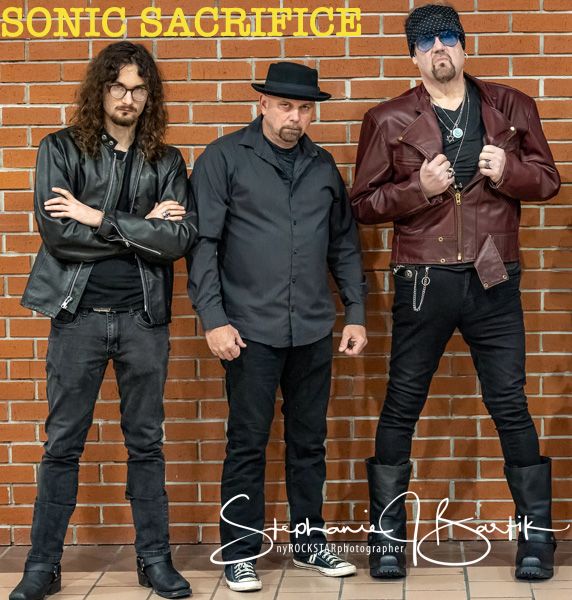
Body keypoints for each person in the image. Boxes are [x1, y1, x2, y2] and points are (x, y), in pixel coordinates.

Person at [350, 3, 560, 582]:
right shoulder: (388, 118)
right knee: (402, 402)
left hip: (494, 275)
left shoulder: (511, 106)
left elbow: (548, 180)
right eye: (426, 42)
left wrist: (509, 170)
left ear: (464, 46)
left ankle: (535, 541)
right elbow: (362, 204)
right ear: (413, 56)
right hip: (423, 278)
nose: (438, 48)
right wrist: (417, 188)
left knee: (510, 403)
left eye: (447, 37)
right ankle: (387, 539)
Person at [12, 41, 197, 600]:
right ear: (100, 90)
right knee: (62, 444)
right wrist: (141, 227)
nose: (127, 99)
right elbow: (59, 237)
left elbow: (178, 240)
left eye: (138, 89)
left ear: (150, 96)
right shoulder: (60, 149)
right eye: (118, 87)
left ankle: (155, 561)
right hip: (78, 318)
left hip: (143, 320)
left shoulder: (167, 161)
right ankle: (42, 566)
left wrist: (97, 217)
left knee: (146, 444)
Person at [188, 62, 368, 592]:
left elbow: (344, 245)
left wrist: (355, 312)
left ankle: (309, 544)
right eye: (285, 106)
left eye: (305, 108)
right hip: (249, 330)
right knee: (247, 443)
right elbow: (203, 246)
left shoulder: (322, 166)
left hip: (312, 327)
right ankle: (240, 553)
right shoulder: (223, 158)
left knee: (309, 443)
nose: (296, 117)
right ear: (262, 104)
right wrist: (213, 320)